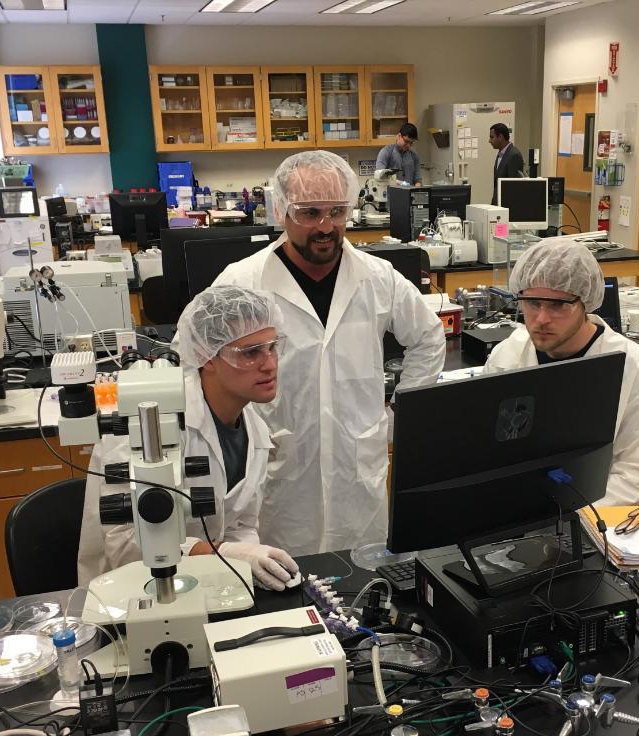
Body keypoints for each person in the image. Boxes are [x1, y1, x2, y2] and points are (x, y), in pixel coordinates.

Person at [180, 150, 445, 556]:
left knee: (362, 590)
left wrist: (400, 414)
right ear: (282, 212)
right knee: (285, 590)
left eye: (337, 211)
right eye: (309, 213)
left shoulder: (377, 277)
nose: (325, 226)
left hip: (357, 474)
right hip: (277, 475)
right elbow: (194, 360)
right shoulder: (244, 281)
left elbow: (429, 337)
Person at [77, 285, 300, 591]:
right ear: (206, 356)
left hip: (213, 588)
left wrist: (246, 558)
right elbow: (126, 545)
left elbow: (241, 526)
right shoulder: (148, 421)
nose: (270, 363)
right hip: (131, 596)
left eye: (272, 347)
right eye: (250, 353)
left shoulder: (255, 429)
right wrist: (227, 555)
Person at [483, 237, 639, 505]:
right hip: (517, 512)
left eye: (558, 305)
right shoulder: (507, 356)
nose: (542, 318)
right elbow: (489, 453)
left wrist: (569, 515)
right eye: (533, 303)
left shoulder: (634, 367)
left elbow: (637, 475)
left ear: (586, 303)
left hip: (600, 518)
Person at [375, 122, 422, 187]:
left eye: (411, 143)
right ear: (399, 136)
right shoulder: (386, 152)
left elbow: (418, 180)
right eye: (406, 141)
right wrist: (401, 183)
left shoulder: (414, 155)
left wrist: (417, 190)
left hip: (409, 195)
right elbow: (379, 176)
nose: (408, 145)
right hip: (391, 195)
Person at [489, 122, 524, 204]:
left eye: (492, 137)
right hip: (497, 205)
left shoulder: (514, 155)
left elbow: (514, 188)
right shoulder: (500, 153)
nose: (489, 141)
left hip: (507, 207)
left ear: (500, 137)